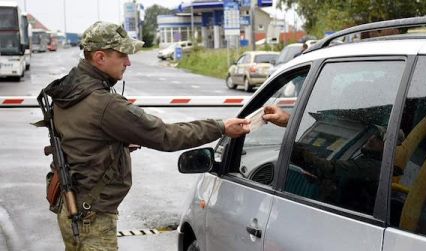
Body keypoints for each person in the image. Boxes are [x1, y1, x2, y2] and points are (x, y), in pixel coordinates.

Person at [44, 21, 250, 251]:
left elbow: (81, 138)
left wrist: (114, 145)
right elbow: (167, 136)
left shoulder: (69, 89)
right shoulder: (105, 104)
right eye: (122, 55)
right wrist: (221, 126)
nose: (128, 62)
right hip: (92, 215)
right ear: (100, 57)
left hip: (70, 204)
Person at [262, 105, 404, 214]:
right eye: (374, 133)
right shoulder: (369, 161)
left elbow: (329, 169)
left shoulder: (372, 167)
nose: (372, 138)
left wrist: (293, 143)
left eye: (379, 137)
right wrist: (322, 180)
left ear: (389, 148)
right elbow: (344, 179)